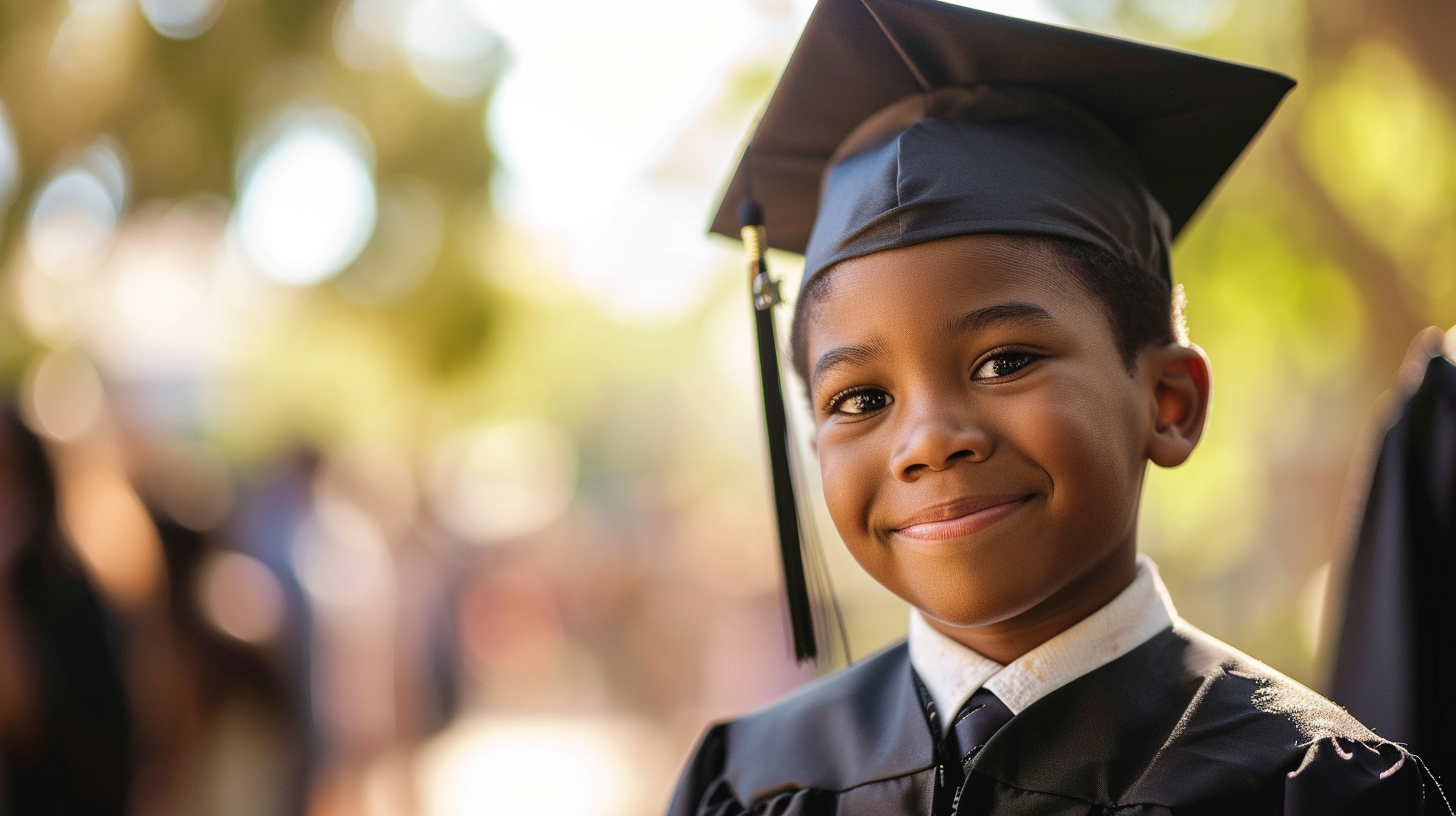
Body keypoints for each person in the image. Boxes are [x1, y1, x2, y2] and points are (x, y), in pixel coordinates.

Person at [667, 0, 1452, 813]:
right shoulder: (749, 782)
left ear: (1169, 403)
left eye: (1004, 362)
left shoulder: (1312, 789)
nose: (930, 440)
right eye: (862, 398)